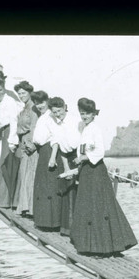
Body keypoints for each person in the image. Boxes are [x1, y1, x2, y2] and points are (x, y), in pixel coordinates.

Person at [70, 98, 138, 256]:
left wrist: (83, 158)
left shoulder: (95, 129)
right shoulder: (85, 129)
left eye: (87, 113)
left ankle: (103, 245)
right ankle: (90, 244)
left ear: (94, 114)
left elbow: (99, 152)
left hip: (95, 171)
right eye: (82, 113)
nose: (84, 116)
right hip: (87, 171)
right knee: (89, 207)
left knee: (99, 207)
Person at [46, 97, 81, 236]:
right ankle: (69, 229)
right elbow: (61, 147)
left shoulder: (75, 121)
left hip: (78, 157)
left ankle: (79, 228)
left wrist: (77, 165)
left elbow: (80, 143)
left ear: (65, 107)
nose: (58, 114)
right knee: (68, 192)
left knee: (79, 192)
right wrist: (66, 168)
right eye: (55, 112)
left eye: (59, 111)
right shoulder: (56, 124)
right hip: (67, 158)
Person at [32, 91, 63, 230]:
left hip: (49, 151)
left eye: (42, 102)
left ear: (47, 101)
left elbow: (55, 137)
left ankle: (52, 222)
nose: (39, 105)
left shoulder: (50, 116)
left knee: (50, 185)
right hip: (43, 150)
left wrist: (52, 157)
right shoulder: (43, 117)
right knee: (44, 185)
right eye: (36, 103)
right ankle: (45, 221)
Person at [0, 76, 23, 207]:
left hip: (10, 133)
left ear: (4, 88)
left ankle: (11, 200)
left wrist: (12, 141)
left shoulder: (9, 101)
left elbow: (14, 121)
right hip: (3, 133)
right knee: (3, 165)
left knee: (7, 165)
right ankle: (5, 200)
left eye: (0, 90)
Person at [13, 81, 39, 217]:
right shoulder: (24, 109)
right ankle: (24, 207)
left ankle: (30, 208)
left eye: (23, 93)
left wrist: (32, 145)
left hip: (30, 145)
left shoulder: (33, 109)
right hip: (23, 143)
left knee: (30, 175)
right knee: (24, 175)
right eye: (19, 93)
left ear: (30, 93)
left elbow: (34, 127)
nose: (21, 95)